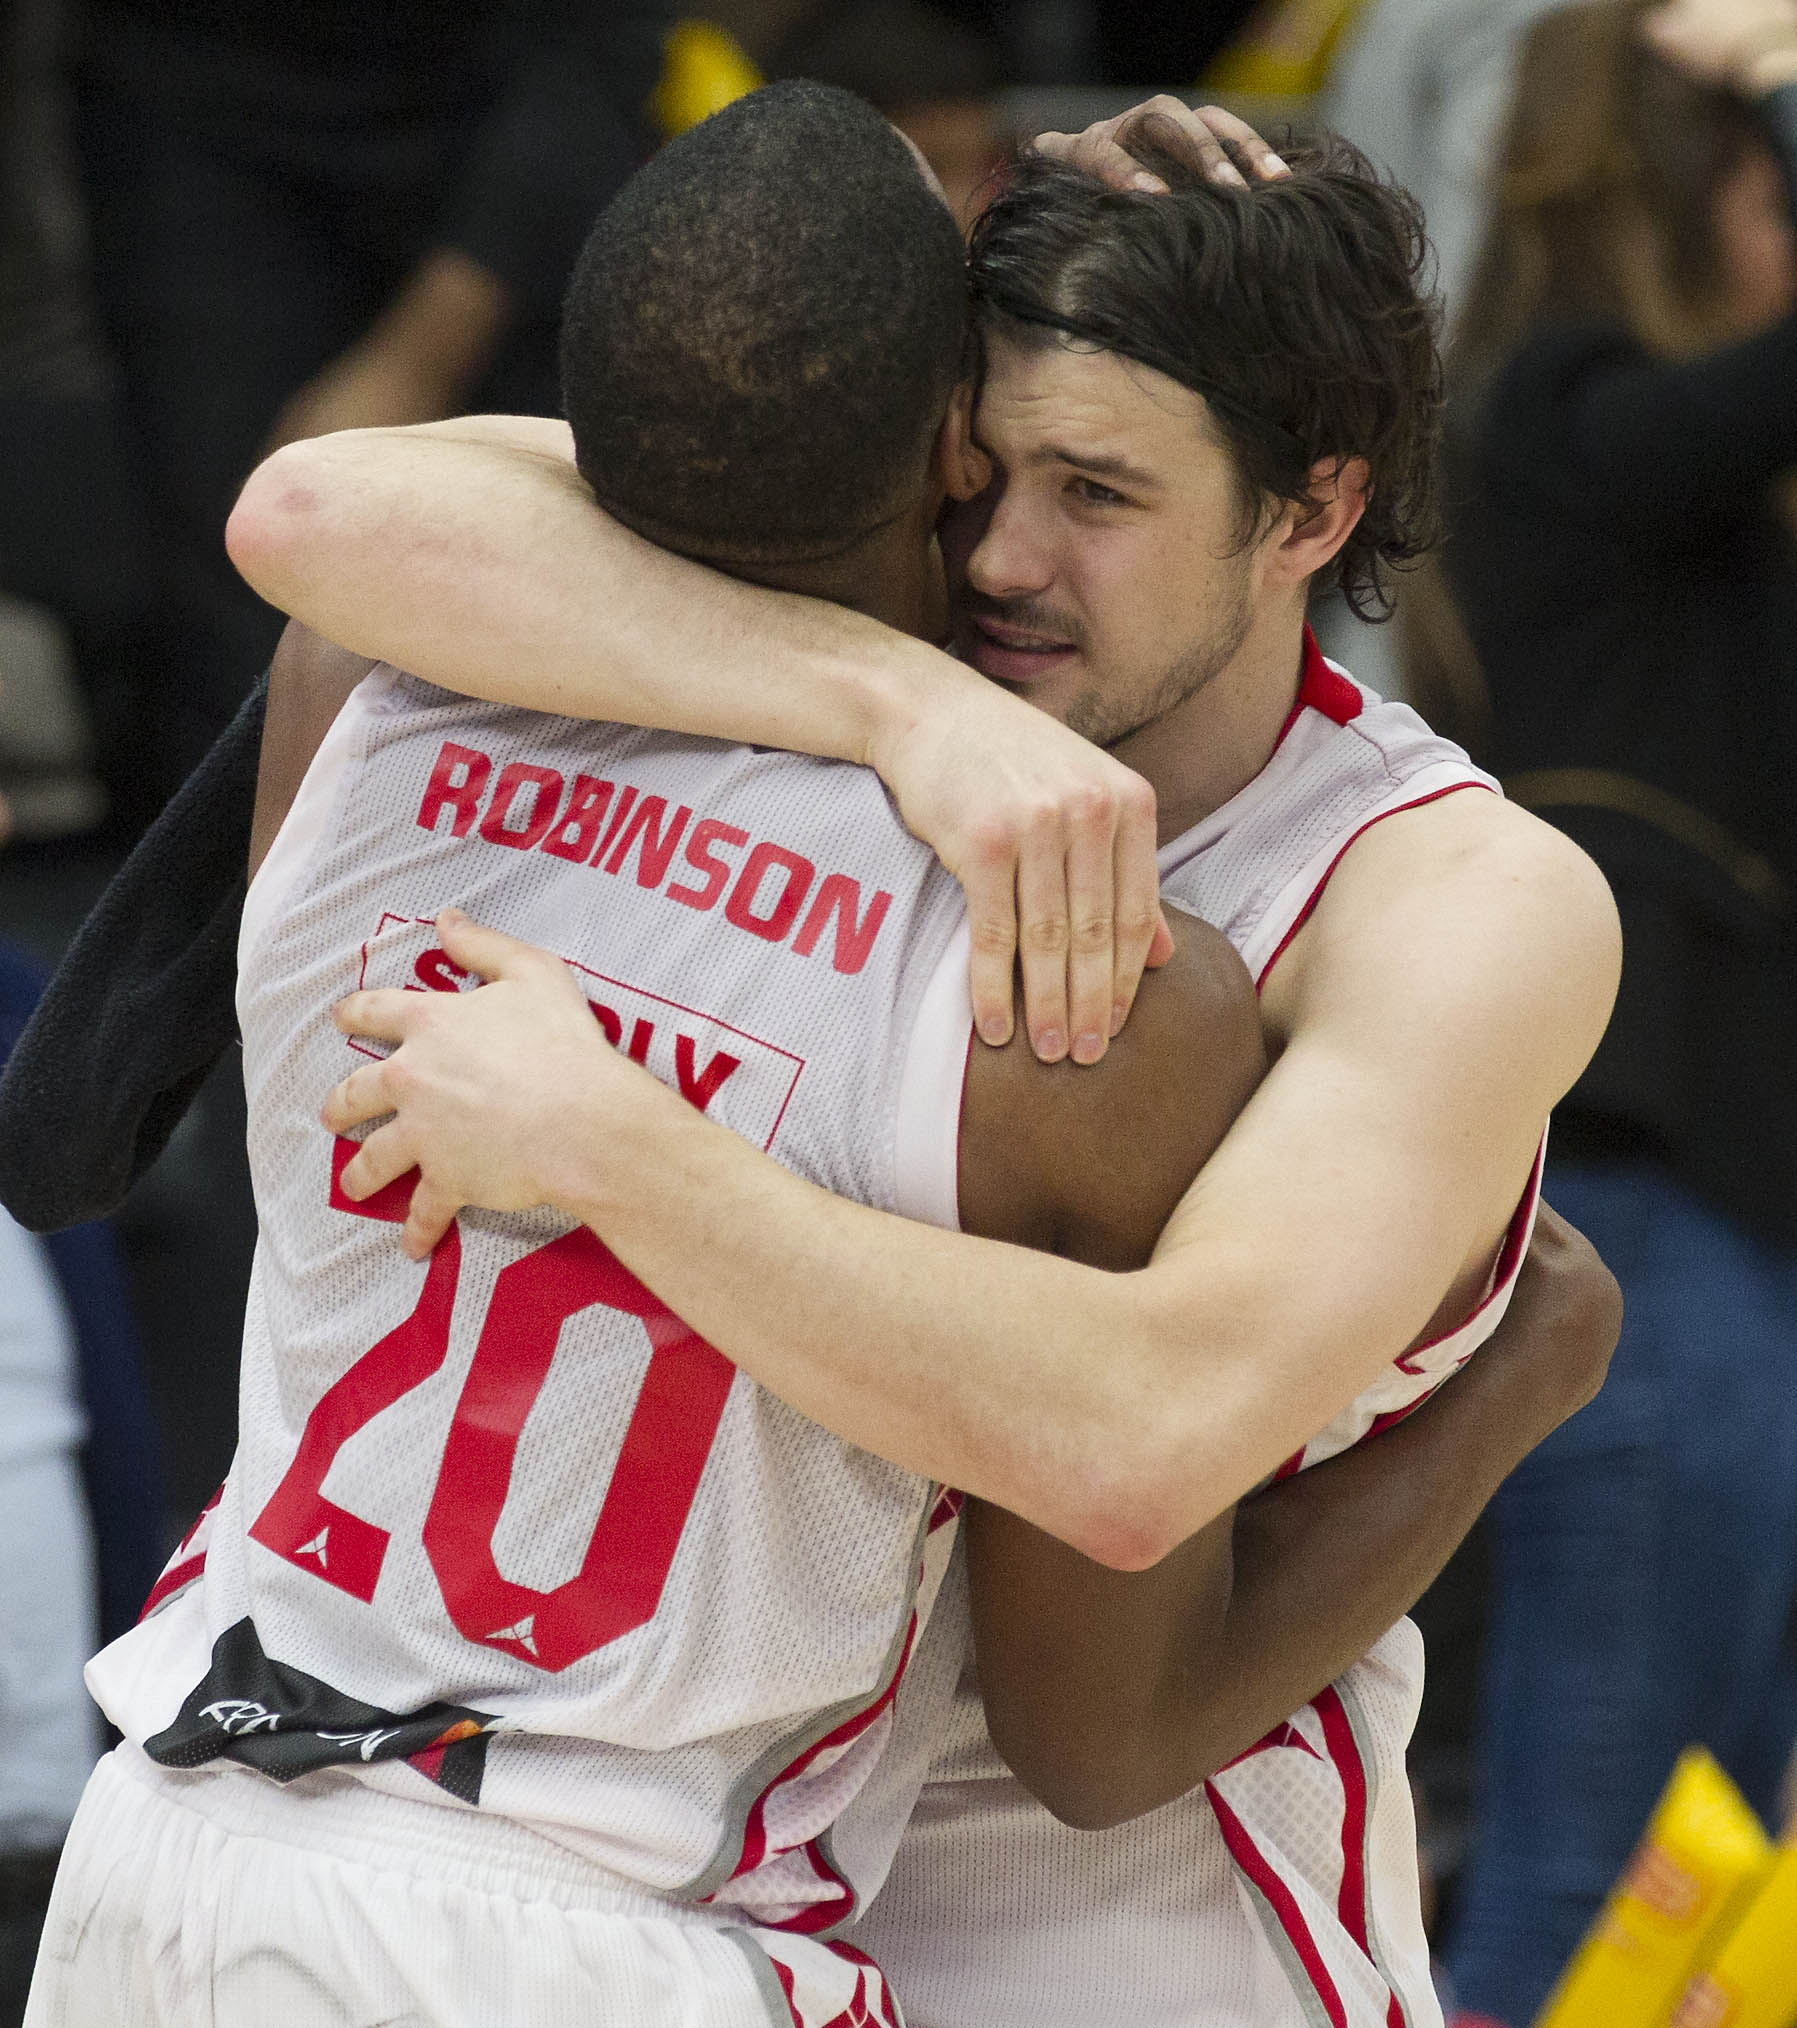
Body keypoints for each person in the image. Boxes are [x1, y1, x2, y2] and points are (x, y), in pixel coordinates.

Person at [14, 86, 1614, 2028]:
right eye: (981, 468)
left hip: (1106, 1904)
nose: (1001, 554)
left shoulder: (1440, 898)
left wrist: (622, 1148)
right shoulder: (845, 664)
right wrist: (888, 703)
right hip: (680, 1856)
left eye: (1096, 496)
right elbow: (317, 515)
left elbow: (1138, 1455)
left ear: (1308, 513)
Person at [1424, 0, 1797, 2018]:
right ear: (1681, 195)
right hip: (1638, 1210)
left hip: (1722, 1214)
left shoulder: (1698, 516)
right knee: (1591, 1871)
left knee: (1692, 1896)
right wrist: (1779, 77)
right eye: (1765, 195)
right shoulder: (1558, 411)